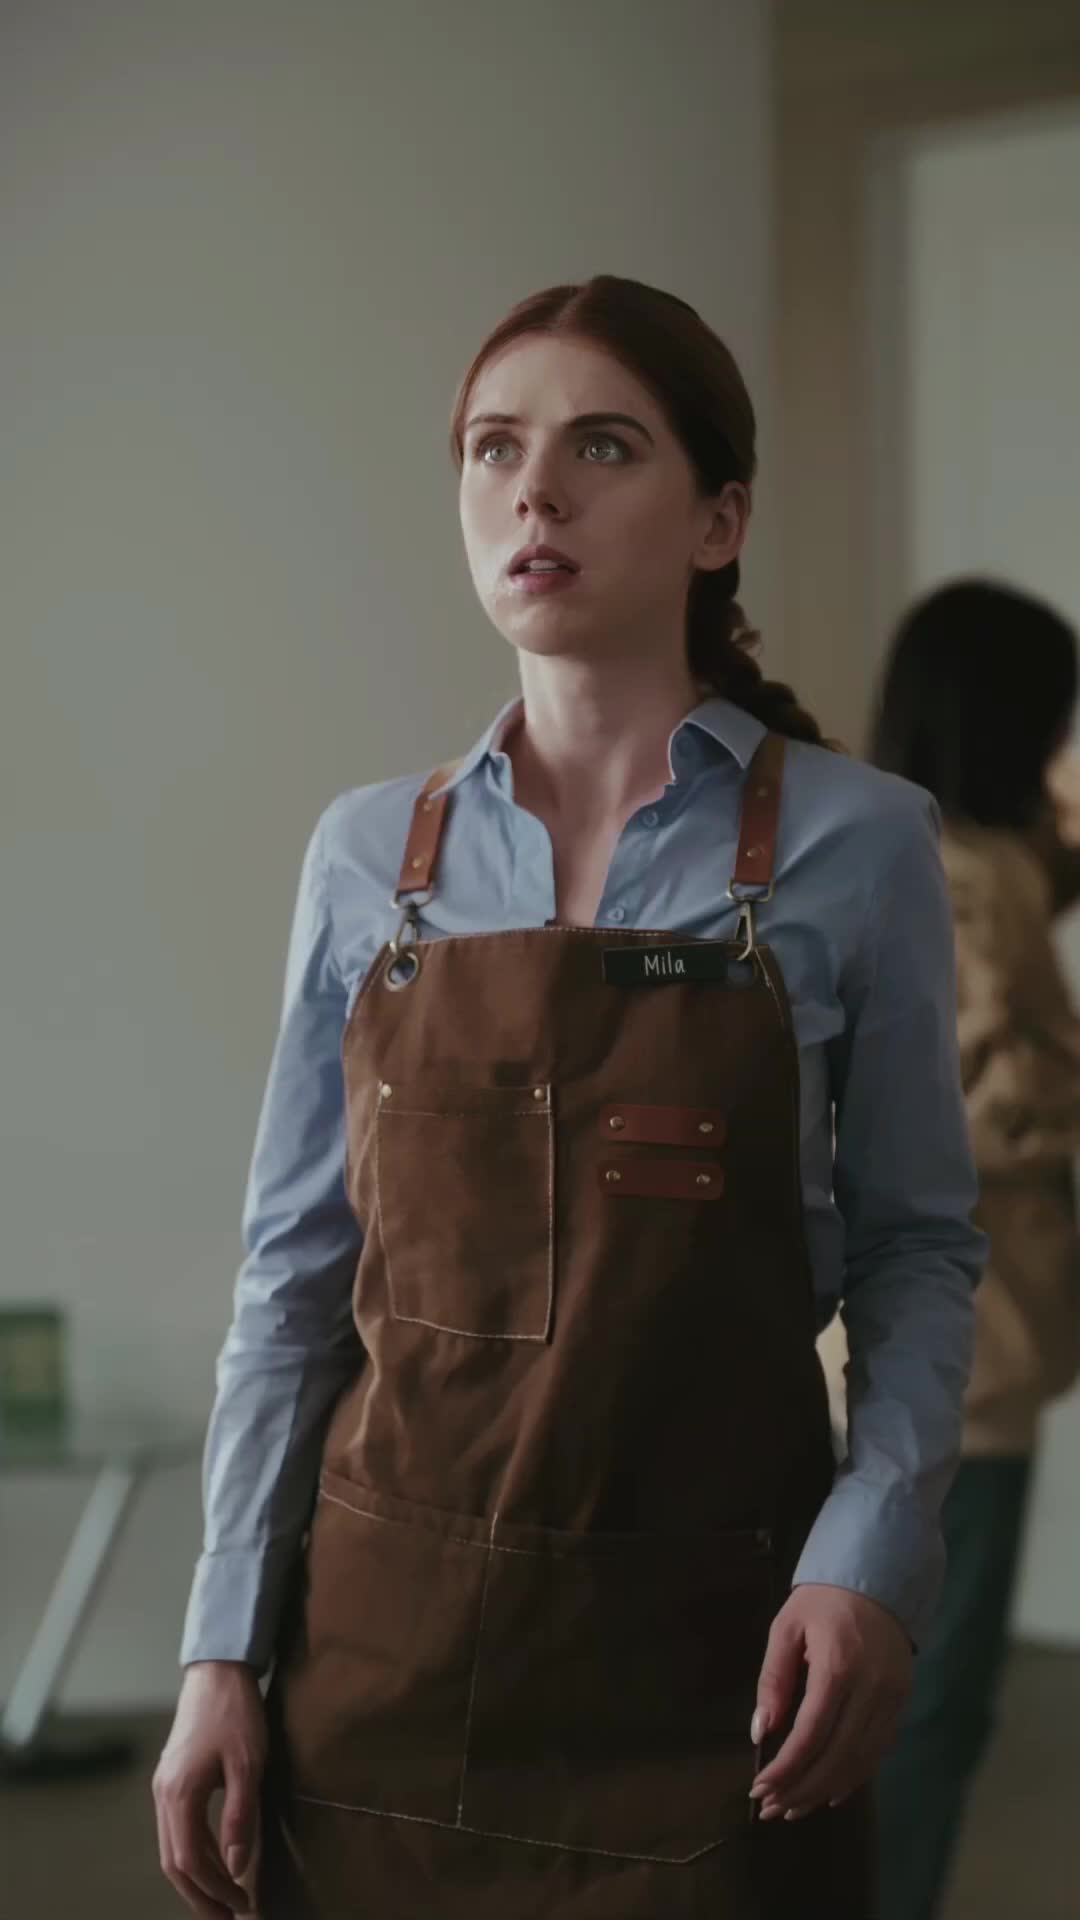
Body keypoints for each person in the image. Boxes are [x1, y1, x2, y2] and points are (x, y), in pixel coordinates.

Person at [152, 276, 983, 1920]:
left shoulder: (861, 840)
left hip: (720, 1661)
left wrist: (871, 1557)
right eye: (494, 448)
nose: (534, 492)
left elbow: (918, 1250)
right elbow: (294, 1282)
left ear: (719, 519)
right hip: (378, 1660)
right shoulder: (365, 858)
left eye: (602, 446)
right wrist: (219, 1647)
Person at [866, 579, 1080, 1920]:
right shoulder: (966, 876)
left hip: (939, 1341)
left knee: (910, 1678)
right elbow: (968, 1108)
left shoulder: (923, 843)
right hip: (969, 1347)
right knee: (932, 1697)